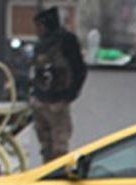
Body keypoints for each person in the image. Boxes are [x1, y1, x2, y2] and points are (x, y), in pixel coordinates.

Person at [30, 8, 86, 163]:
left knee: (57, 146)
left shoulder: (63, 41)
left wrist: (69, 95)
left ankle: (55, 174)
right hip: (47, 99)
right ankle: (51, 171)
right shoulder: (48, 42)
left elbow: (78, 69)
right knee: (50, 143)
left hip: (53, 99)